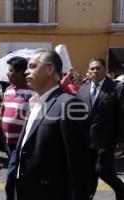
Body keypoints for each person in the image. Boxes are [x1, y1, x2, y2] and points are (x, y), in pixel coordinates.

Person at [14, 49, 91, 200]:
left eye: (32, 66)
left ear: (50, 69)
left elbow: (79, 165)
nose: (26, 72)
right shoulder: (35, 102)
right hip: (26, 189)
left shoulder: (69, 104)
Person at [77, 58, 124, 200]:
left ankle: (121, 189)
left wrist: (121, 140)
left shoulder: (117, 88)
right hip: (86, 141)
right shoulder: (83, 88)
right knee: (89, 173)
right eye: (92, 69)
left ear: (105, 70)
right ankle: (88, 196)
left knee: (102, 170)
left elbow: (122, 116)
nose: (95, 71)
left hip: (106, 140)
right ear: (88, 71)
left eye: (98, 68)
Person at [0, 56, 34, 200]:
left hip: (22, 144)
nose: (8, 74)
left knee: (11, 179)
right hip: (8, 143)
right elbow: (1, 112)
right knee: (17, 175)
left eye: (11, 71)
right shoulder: (8, 90)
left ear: (22, 72)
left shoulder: (34, 91)